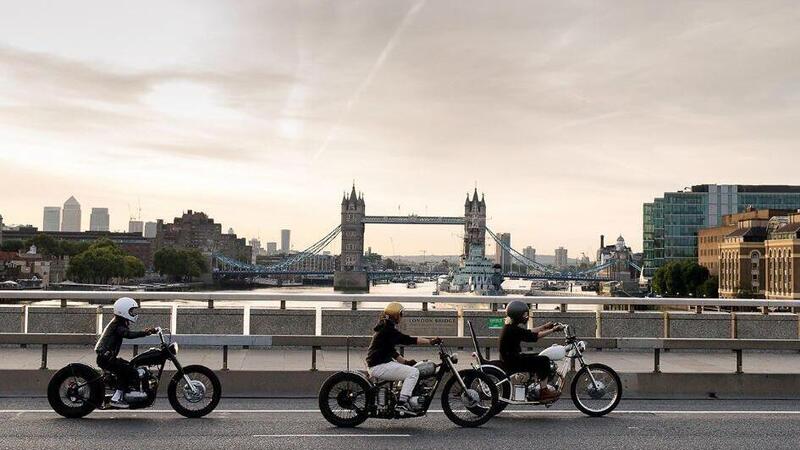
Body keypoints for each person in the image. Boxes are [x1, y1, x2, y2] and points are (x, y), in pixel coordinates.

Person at [366, 302, 441, 414]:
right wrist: (430, 341)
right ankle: (402, 403)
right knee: (413, 372)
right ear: (395, 315)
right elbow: (407, 340)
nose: (402, 316)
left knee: (410, 370)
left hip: (379, 363)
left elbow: (390, 350)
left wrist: (405, 361)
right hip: (379, 366)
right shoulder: (388, 330)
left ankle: (403, 398)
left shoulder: (385, 328)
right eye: (401, 314)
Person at [94, 297, 156, 408]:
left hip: (107, 357)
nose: (132, 313)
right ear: (123, 311)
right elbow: (128, 334)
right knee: (126, 371)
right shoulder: (118, 325)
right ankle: (116, 398)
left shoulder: (118, 322)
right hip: (106, 358)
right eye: (131, 311)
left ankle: (126, 391)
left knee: (130, 365)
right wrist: (144, 333)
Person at [498, 300, 564, 402]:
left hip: (511, 358)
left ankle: (537, 384)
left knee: (538, 356)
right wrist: (553, 330)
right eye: (524, 314)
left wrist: (544, 327)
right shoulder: (513, 330)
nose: (526, 316)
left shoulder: (510, 327)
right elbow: (535, 336)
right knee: (544, 360)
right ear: (518, 315)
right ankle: (544, 391)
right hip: (513, 361)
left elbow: (528, 332)